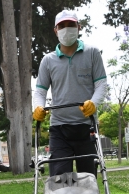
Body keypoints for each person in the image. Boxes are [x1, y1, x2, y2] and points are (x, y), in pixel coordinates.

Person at [32, 9, 107, 177]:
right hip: (59, 129)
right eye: (62, 26)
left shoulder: (92, 53)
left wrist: (93, 103)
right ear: (55, 30)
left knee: (88, 179)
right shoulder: (48, 60)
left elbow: (101, 84)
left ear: (79, 27)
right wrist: (38, 107)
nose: (67, 29)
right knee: (59, 180)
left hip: (86, 126)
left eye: (71, 25)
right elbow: (40, 91)